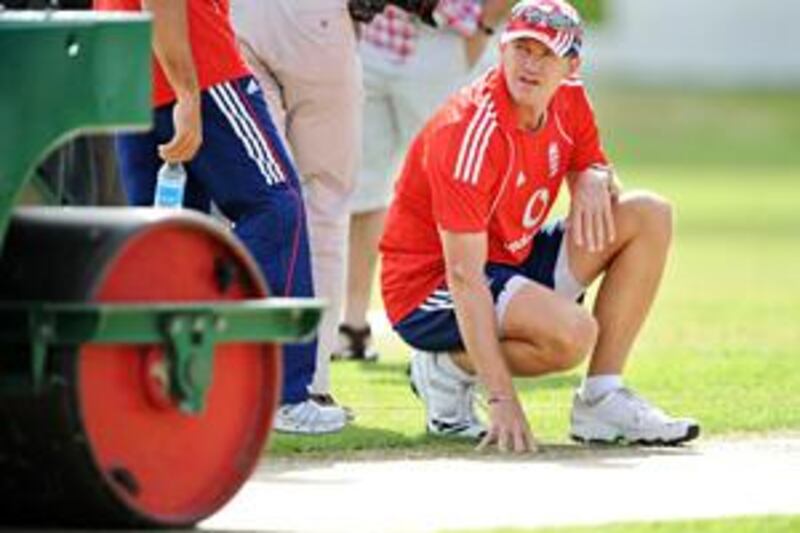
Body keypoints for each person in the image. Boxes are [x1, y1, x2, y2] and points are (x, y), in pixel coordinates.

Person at [380, 0, 700, 452]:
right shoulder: (469, 131)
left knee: (649, 213)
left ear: (571, 65)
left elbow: (595, 168)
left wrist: (594, 173)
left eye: (545, 53)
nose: (529, 65)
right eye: (521, 48)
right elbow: (464, 276)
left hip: (510, 259)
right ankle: (445, 370)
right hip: (430, 287)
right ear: (502, 50)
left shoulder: (568, 97)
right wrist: (501, 397)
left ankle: (601, 400)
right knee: (572, 337)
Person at [93, 0, 347, 434]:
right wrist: (187, 92)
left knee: (168, 241)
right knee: (277, 208)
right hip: (200, 74)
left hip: (131, 81)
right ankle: (280, 391)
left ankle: (177, 385)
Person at [335, 0, 509, 361]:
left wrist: (484, 26)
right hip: (372, 33)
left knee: (462, 181)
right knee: (362, 187)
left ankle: (476, 324)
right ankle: (353, 324)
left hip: (444, 39)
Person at [229, 0, 361, 409]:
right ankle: (309, 381)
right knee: (325, 203)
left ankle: (248, 374)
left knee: (263, 198)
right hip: (312, 19)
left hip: (237, 18)